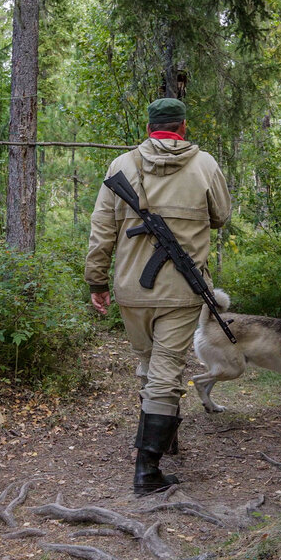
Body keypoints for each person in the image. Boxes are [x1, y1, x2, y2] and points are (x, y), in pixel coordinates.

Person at [85, 98, 232, 495]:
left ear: (150, 127)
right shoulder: (205, 165)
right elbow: (220, 216)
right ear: (183, 126)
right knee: (165, 373)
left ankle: (166, 440)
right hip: (181, 293)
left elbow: (101, 231)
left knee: (152, 368)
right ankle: (147, 471)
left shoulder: (121, 166)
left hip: (132, 290)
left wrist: (96, 282)